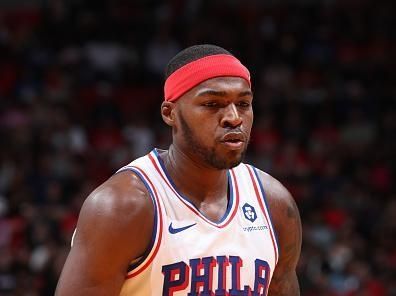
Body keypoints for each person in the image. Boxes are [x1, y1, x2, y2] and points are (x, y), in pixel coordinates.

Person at [55, 44, 302, 296]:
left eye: (243, 103)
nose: (233, 117)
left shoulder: (274, 204)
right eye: (212, 104)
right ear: (169, 113)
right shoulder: (123, 206)